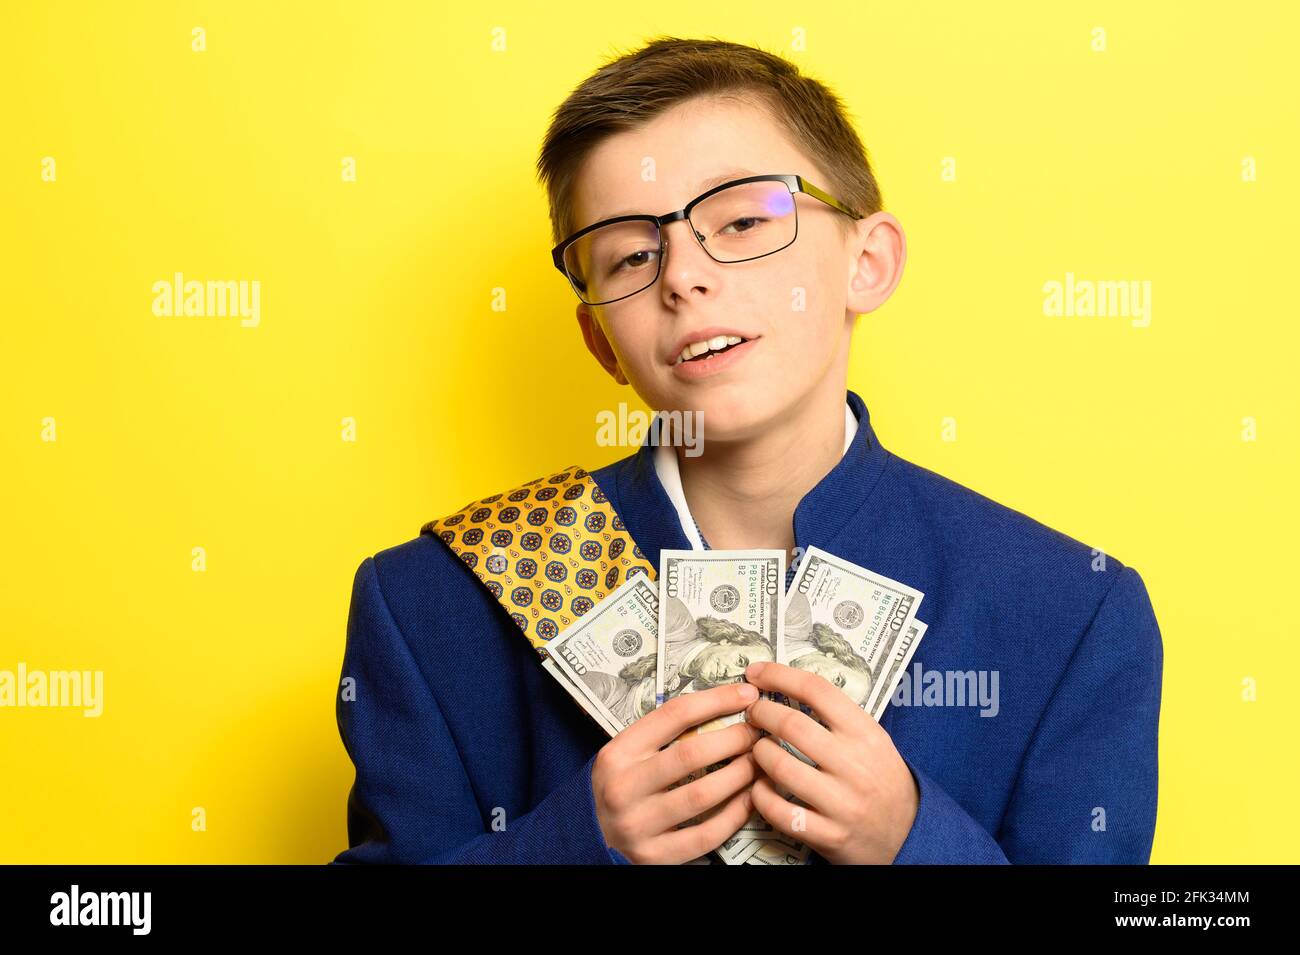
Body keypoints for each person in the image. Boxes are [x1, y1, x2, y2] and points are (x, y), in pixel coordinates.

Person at [331, 36, 1162, 865]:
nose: (683, 276)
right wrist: (574, 844)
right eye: (631, 253)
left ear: (866, 262)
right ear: (600, 340)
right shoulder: (429, 603)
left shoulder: (1071, 613)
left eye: (740, 219)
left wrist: (914, 843)